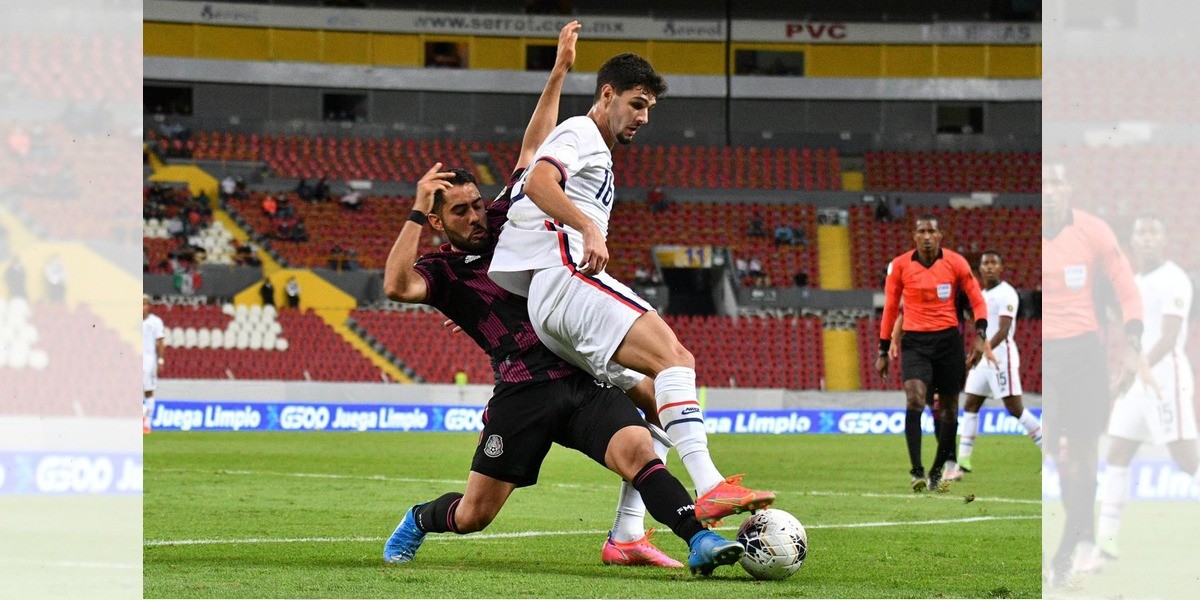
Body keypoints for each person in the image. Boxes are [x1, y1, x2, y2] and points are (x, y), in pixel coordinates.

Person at [381, 25, 745, 575]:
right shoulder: (443, 271)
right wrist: (413, 211)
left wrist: (558, 73)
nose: (478, 216)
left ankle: (695, 539)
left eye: (478, 204)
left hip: (574, 372)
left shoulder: (508, 218)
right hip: (522, 390)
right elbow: (395, 286)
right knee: (475, 514)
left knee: (639, 451)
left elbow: (534, 149)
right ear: (437, 222)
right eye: (461, 213)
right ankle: (419, 519)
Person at [488, 52, 774, 523]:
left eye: (649, 109)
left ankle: (627, 532)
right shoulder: (582, 132)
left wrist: (558, 72)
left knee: (655, 400)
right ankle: (710, 485)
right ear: (607, 95)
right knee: (676, 360)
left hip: (549, 305)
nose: (643, 117)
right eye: (637, 104)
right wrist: (589, 227)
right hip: (567, 279)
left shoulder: (583, 143)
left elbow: (532, 153)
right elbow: (540, 180)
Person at [1041, 162, 1146, 587]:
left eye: (1057, 182)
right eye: (1044, 182)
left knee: (1083, 456)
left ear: (1069, 189)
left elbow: (1127, 289)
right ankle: (1075, 544)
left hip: (1084, 353)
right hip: (1046, 355)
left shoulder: (1094, 232)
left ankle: (1069, 553)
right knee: (1052, 449)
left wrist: (1133, 346)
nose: (1049, 190)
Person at [1091, 214, 1199, 568]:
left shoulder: (1175, 279)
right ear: (1133, 241)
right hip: (1138, 379)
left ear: (1164, 239)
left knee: (1187, 463)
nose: (1147, 238)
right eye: (1141, 232)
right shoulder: (1132, 282)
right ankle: (1104, 547)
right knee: (1117, 454)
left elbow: (1168, 338)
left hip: (1165, 380)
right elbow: (1133, 336)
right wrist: (1125, 370)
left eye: (1154, 231)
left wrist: (1136, 370)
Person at [875, 215, 995, 492]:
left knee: (950, 409)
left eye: (932, 231)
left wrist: (980, 335)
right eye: (922, 231)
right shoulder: (900, 266)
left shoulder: (956, 263)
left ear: (940, 235)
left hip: (949, 342)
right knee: (915, 399)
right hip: (915, 343)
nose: (927, 236)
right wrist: (883, 349)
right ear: (914, 237)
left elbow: (977, 300)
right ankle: (916, 471)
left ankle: (937, 470)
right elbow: (891, 308)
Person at [944, 251, 1042, 481]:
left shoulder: (1006, 293)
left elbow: (1003, 330)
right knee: (970, 404)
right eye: (985, 264)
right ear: (979, 270)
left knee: (1015, 408)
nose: (989, 267)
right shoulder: (981, 294)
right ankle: (963, 462)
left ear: (1001, 268)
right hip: (983, 357)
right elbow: (980, 323)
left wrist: (981, 349)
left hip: (1001, 357)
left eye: (993, 263)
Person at [143, 295, 165, 434]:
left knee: (148, 391)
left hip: (149, 360)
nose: (142, 307)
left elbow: (160, 342)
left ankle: (147, 424)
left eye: (144, 304)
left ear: (149, 306)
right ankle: (143, 416)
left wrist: (161, 360)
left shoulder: (156, 322)